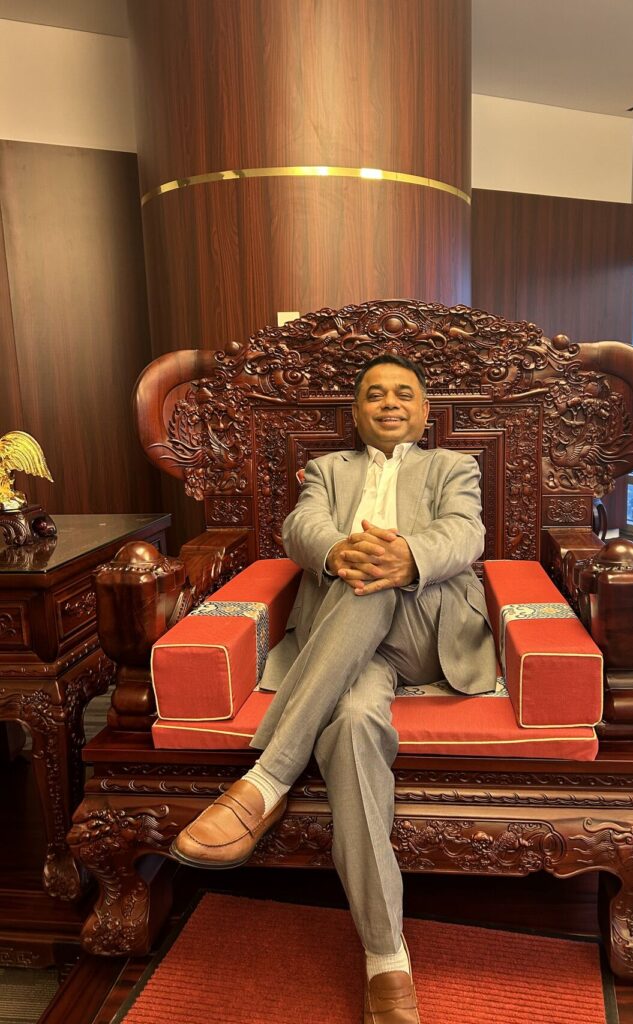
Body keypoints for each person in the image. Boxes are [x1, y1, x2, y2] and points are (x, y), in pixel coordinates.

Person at [172, 353, 497, 1023]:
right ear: (355, 413)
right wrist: (335, 551)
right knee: (351, 724)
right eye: (374, 395)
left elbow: (467, 532)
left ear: (424, 412)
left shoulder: (452, 466)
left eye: (403, 394)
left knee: (372, 578)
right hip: (346, 646)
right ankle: (386, 957)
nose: (388, 403)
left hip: (424, 629)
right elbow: (302, 528)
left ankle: (265, 780)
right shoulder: (327, 470)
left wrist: (405, 557)